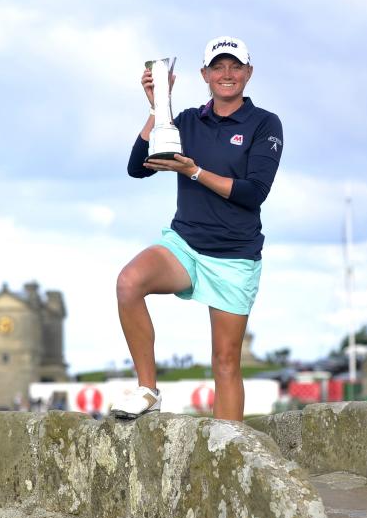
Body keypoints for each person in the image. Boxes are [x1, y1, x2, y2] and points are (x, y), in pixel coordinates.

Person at [111, 36, 283, 422]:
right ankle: (148, 390)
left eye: (235, 66)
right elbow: (138, 166)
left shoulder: (264, 124)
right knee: (129, 282)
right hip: (185, 246)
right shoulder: (187, 120)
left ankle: (229, 452)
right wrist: (160, 106)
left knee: (224, 361)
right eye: (218, 67)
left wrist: (194, 171)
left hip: (234, 256)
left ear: (248, 73)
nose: (227, 74)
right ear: (204, 74)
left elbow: (253, 193)